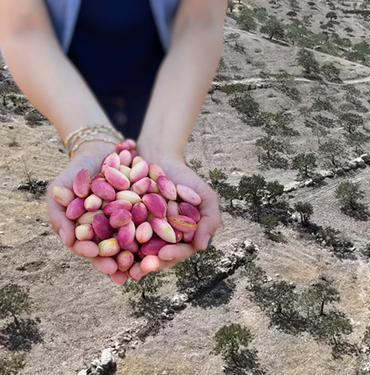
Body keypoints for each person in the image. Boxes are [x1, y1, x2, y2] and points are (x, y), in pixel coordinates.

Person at [0, 0, 225, 285]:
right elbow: (22, 26)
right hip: (64, 88)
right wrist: (90, 139)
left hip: (167, 94)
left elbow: (201, 20)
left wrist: (164, 145)